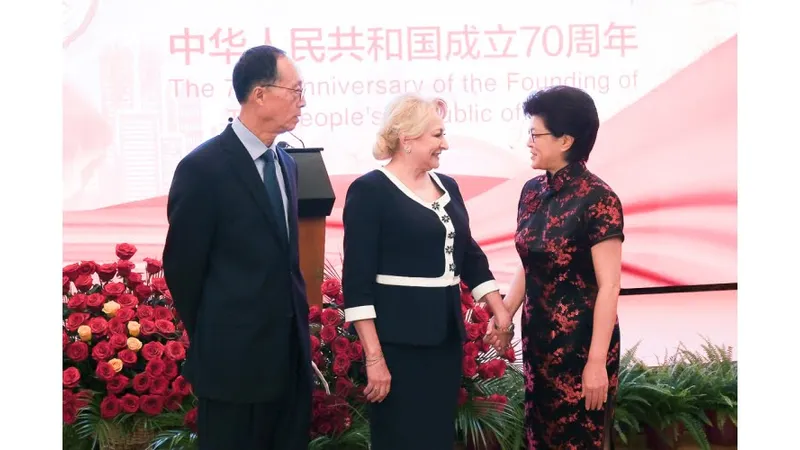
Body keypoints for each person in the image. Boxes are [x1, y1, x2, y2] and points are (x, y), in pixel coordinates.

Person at [341, 94, 513, 450]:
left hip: (445, 342)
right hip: (396, 346)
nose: (444, 144)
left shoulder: (447, 186)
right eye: (437, 135)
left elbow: (468, 253)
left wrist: (499, 310)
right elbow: (356, 283)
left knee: (436, 437)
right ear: (407, 139)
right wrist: (374, 358)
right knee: (399, 438)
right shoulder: (369, 191)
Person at [162, 45, 311, 450]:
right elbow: (182, 269)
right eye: (295, 91)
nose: (303, 101)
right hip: (232, 367)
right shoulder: (203, 168)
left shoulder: (287, 164)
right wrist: (219, 335)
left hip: (289, 362)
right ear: (260, 94)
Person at [492, 85, 625, 449]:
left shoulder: (599, 198)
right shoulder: (532, 192)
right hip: (538, 343)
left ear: (566, 140)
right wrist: (504, 313)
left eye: (536, 134)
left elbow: (610, 286)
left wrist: (596, 363)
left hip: (582, 348)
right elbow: (530, 262)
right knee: (541, 437)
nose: (529, 142)